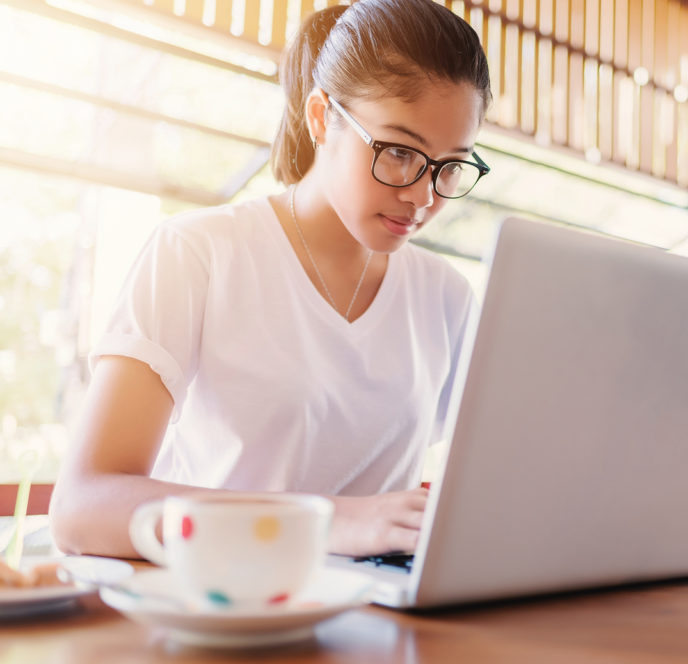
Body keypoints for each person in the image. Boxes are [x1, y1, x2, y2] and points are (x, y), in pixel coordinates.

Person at [49, 0, 492, 559]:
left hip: (379, 625)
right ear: (320, 117)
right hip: (215, 610)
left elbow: (505, 479)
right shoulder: (199, 252)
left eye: (450, 165)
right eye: (400, 152)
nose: (422, 195)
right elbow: (82, 507)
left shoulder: (447, 297)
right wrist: (325, 523)